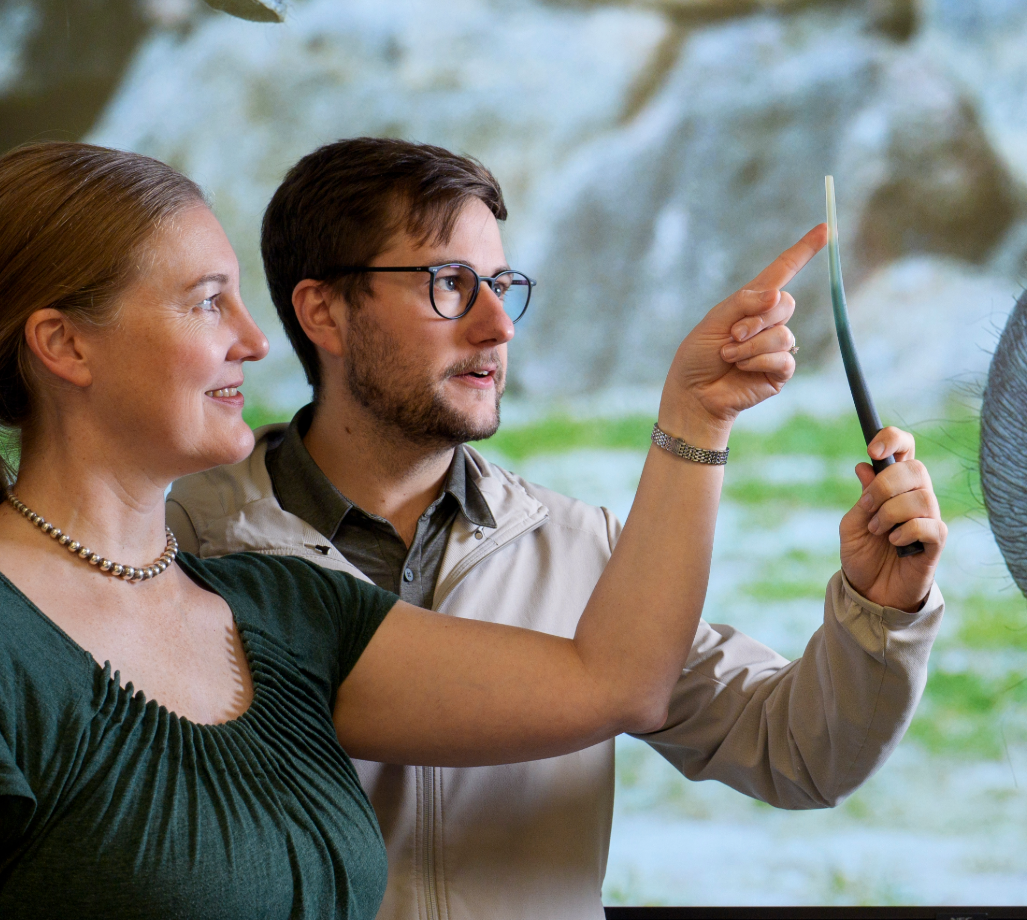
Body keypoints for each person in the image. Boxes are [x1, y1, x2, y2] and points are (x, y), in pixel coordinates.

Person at [0, 141, 823, 919]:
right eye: (209, 302)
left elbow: (617, 682)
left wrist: (695, 420)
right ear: (64, 344)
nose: (253, 340)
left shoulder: (278, 609)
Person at [166, 137, 949, 920]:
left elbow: (800, 753)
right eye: (450, 284)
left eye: (503, 285)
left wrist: (878, 610)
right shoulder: (183, 549)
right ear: (323, 312)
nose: (498, 326)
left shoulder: (583, 550)